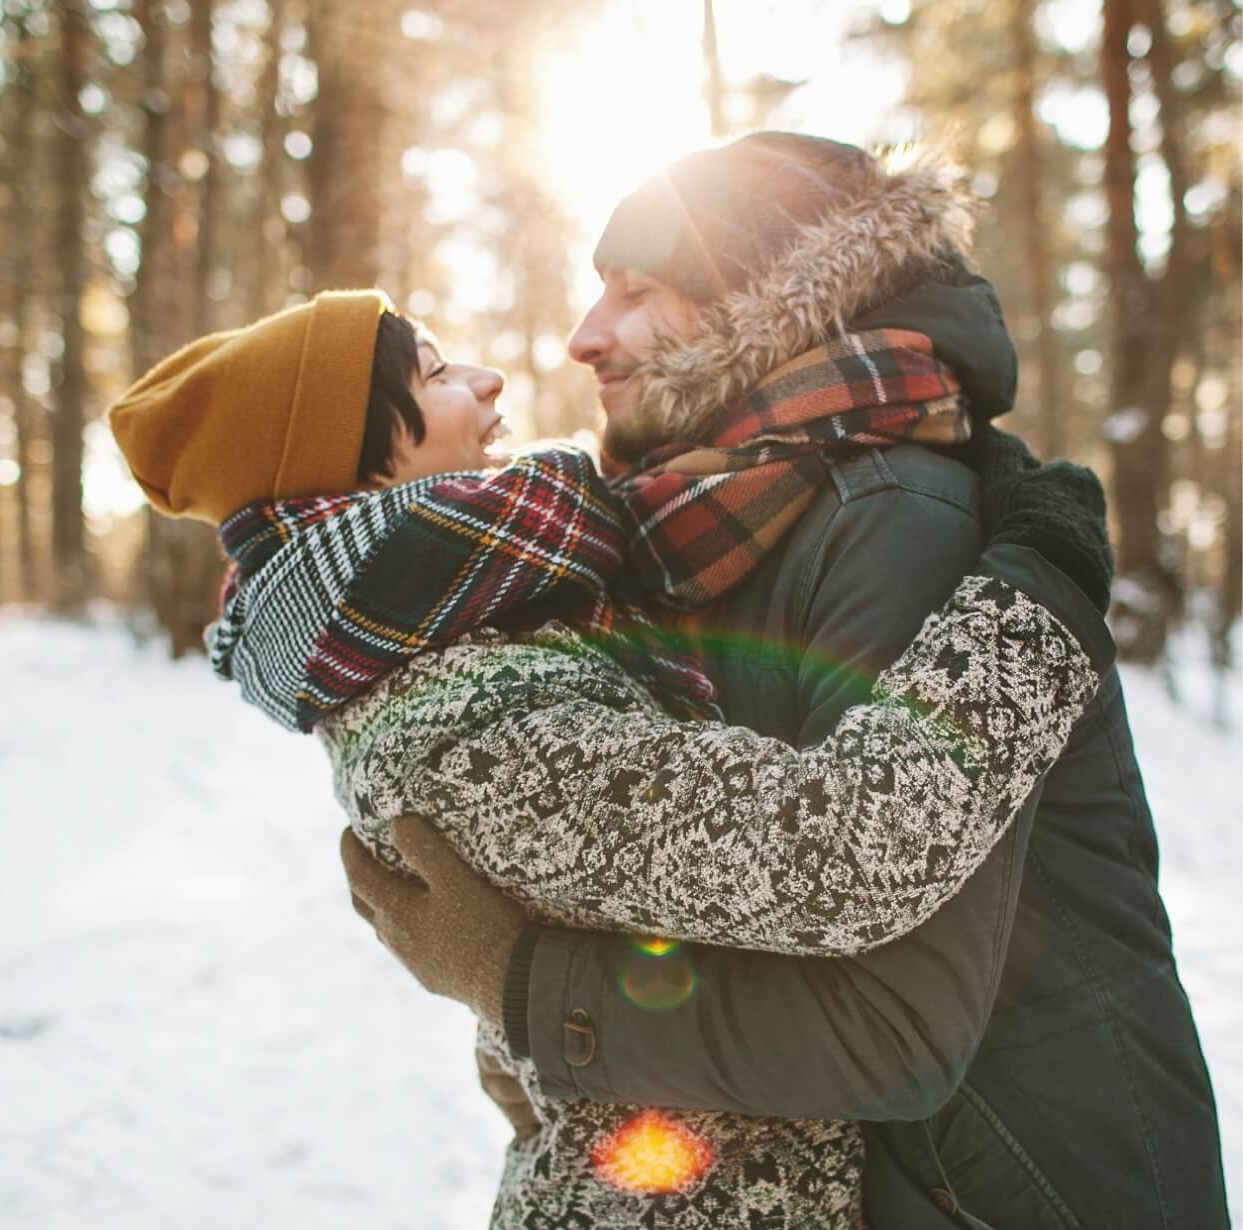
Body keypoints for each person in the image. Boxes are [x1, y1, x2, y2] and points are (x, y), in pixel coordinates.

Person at [343, 134, 1230, 1227]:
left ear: (760, 307)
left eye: (637, 291)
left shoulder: (892, 517)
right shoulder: (707, 522)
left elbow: (889, 1030)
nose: (584, 338)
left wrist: (522, 989)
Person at [110, 285, 1113, 1228]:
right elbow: (839, 850)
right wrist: (1041, 587)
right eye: (433, 375)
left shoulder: (460, 646)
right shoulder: (467, 719)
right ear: (359, 462)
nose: (486, 381)